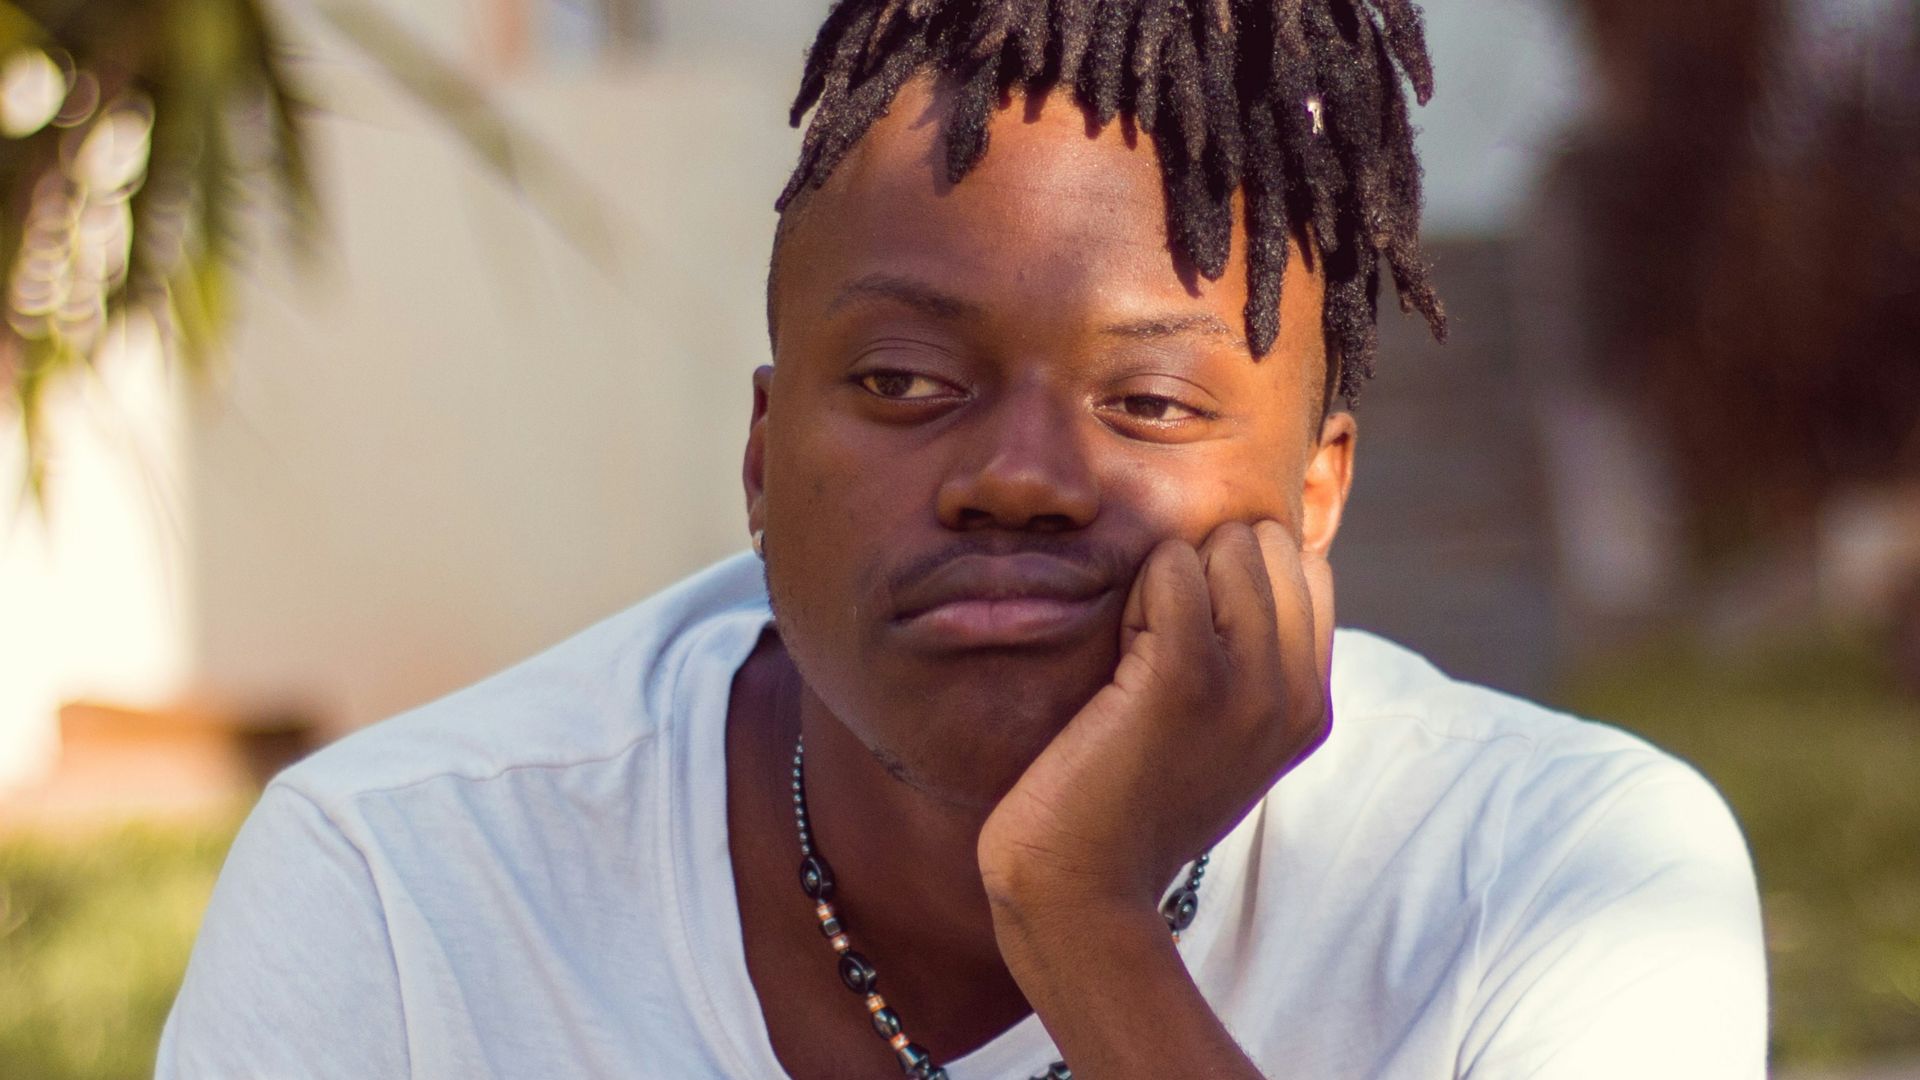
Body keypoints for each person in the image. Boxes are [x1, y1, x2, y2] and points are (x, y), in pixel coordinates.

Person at [158, 2, 1767, 1077]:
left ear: (1320, 488)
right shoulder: (403, 891)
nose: (1018, 479)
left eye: (1148, 401)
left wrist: (1085, 926)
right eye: (907, 380)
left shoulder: (1565, 879)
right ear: (763, 450)